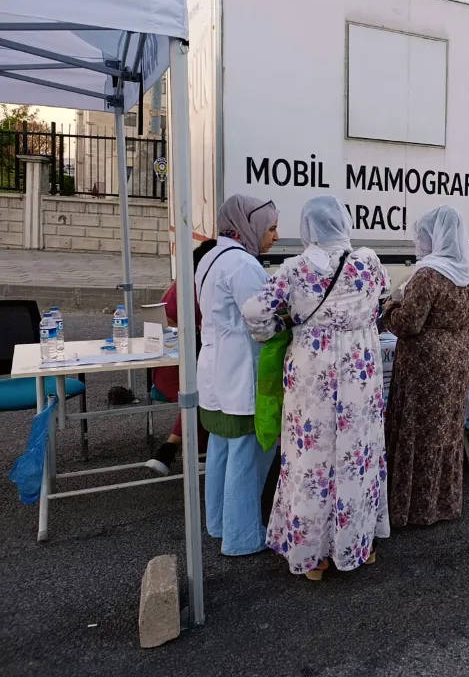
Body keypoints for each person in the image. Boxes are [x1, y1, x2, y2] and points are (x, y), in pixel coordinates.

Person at [242, 195, 390, 580]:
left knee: (310, 458)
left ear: (308, 227)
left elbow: (254, 311)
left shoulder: (295, 269)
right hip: (359, 371)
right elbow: (383, 298)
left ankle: (314, 558)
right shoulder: (369, 262)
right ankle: (357, 545)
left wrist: (278, 328)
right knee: (357, 455)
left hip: (312, 371)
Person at [382, 205, 469, 527]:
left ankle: (412, 508)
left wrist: (389, 308)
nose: (419, 241)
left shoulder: (428, 274)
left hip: (426, 364)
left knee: (418, 428)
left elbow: (408, 323)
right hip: (458, 357)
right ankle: (443, 503)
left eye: (422, 235)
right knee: (447, 427)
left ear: (435, 236)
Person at [196, 195, 279, 556]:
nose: (275, 236)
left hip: (215, 368)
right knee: (246, 453)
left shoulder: (211, 256)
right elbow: (262, 321)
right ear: (249, 225)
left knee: (220, 448)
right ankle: (242, 536)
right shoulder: (243, 265)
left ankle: (219, 523)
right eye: (271, 228)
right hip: (241, 369)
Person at [145, 239, 216, 476]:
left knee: (206, 388)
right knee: (207, 391)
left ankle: (179, 449)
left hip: (168, 366)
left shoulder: (183, 283)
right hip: (179, 368)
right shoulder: (200, 288)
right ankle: (176, 447)